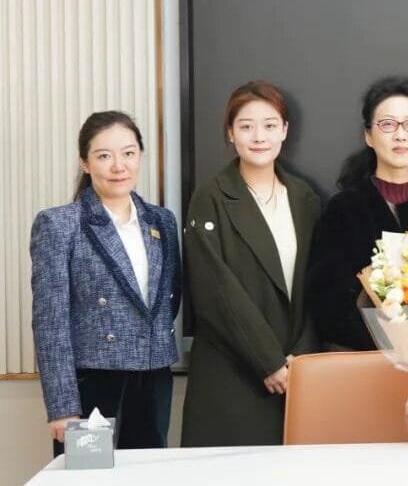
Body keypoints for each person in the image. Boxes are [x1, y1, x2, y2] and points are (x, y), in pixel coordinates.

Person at [30, 111, 181, 455]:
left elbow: (169, 300)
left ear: (140, 156)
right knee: (89, 478)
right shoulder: (60, 225)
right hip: (93, 383)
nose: (119, 166)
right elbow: (50, 322)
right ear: (84, 163)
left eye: (128, 153)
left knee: (148, 477)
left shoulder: (162, 221)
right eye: (104, 156)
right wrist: (63, 406)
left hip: (153, 375)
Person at [181, 81, 320, 446]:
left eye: (270, 125)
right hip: (234, 371)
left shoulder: (304, 198)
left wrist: (298, 360)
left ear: (285, 131)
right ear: (230, 133)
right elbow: (215, 290)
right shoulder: (210, 197)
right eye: (246, 126)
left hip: (295, 371)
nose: (259, 136)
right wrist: (268, 361)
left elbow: (316, 283)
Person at [307, 76, 408, 350]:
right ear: (369, 135)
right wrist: (393, 341)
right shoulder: (343, 211)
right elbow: (327, 304)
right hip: (364, 363)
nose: (400, 135)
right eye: (387, 124)